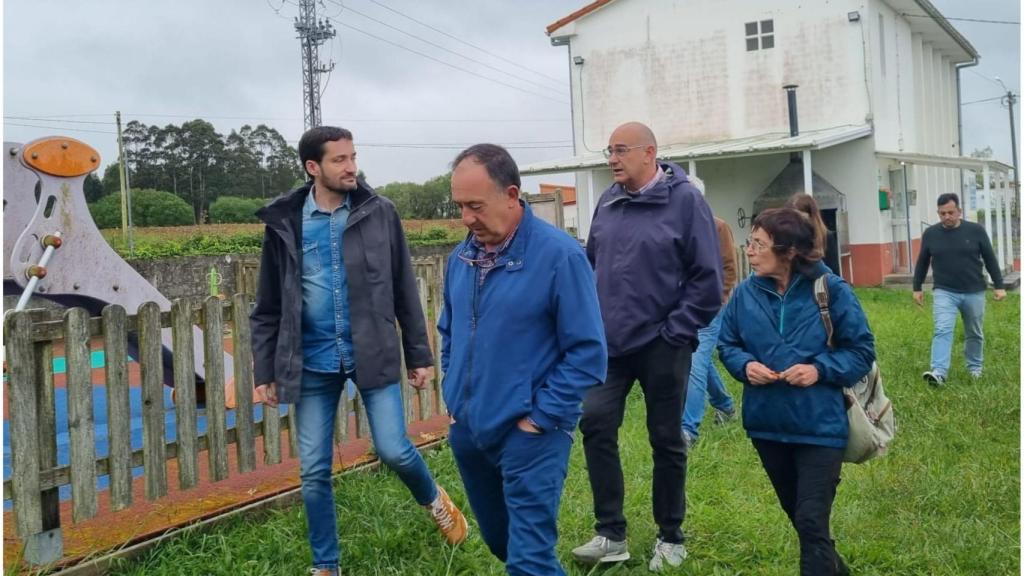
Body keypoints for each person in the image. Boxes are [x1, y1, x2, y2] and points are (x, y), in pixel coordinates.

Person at [250, 126, 467, 576]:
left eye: (353, 157)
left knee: (394, 449)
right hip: (311, 360)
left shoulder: (379, 212)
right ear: (314, 168)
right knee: (312, 470)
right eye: (339, 160)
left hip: (372, 349)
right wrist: (264, 370)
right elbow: (268, 305)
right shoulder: (284, 223)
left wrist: (420, 354)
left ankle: (434, 500)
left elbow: (404, 285)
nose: (351, 167)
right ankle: (326, 564)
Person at [439, 143, 607, 576]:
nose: (466, 218)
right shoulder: (461, 258)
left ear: (512, 195)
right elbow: (449, 332)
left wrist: (540, 419)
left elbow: (588, 352)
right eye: (460, 206)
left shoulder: (560, 257)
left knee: (528, 560)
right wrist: (455, 399)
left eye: (475, 205)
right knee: (503, 543)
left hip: (531, 435)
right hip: (471, 431)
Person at [573, 122, 722, 571]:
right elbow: (591, 264)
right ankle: (610, 533)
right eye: (609, 150)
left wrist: (676, 330)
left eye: (620, 150)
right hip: (610, 345)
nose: (612, 159)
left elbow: (707, 280)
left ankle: (671, 536)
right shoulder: (609, 201)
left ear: (649, 153)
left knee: (665, 439)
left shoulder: (686, 203)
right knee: (595, 424)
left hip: (663, 343)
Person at [717, 207, 875, 576]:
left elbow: (861, 351)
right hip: (767, 425)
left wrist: (818, 369)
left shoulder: (830, 290)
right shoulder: (744, 293)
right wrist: (744, 365)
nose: (750, 251)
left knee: (809, 520)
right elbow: (727, 343)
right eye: (750, 242)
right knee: (805, 522)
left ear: (788, 252)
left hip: (820, 426)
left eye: (758, 244)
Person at [912, 193, 1006, 386]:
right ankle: (939, 372)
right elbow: (922, 261)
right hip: (944, 291)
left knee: (974, 331)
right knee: (942, 329)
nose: (946, 216)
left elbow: (990, 258)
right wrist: (917, 287)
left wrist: (999, 285)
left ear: (959, 211)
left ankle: (974, 368)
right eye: (942, 213)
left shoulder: (976, 231)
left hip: (974, 290)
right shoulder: (931, 234)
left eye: (950, 212)